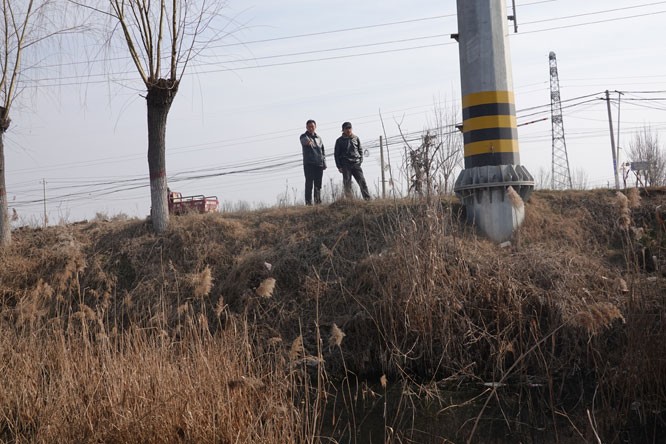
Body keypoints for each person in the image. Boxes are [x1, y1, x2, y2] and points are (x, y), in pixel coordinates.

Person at [334, 121, 371, 200]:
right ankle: (350, 200)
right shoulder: (339, 141)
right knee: (347, 183)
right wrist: (339, 166)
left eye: (349, 128)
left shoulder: (356, 138)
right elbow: (336, 154)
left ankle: (367, 199)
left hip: (356, 163)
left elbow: (360, 150)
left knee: (362, 181)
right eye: (346, 128)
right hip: (345, 164)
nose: (348, 130)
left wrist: (360, 161)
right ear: (343, 130)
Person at [300, 119, 327, 205]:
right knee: (309, 184)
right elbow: (307, 142)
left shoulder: (319, 138)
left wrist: (324, 163)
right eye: (309, 127)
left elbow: (322, 151)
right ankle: (308, 203)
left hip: (319, 163)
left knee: (318, 184)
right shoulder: (303, 136)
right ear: (306, 127)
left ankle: (317, 202)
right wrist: (309, 141)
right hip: (309, 163)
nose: (311, 128)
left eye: (312, 126)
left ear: (315, 127)